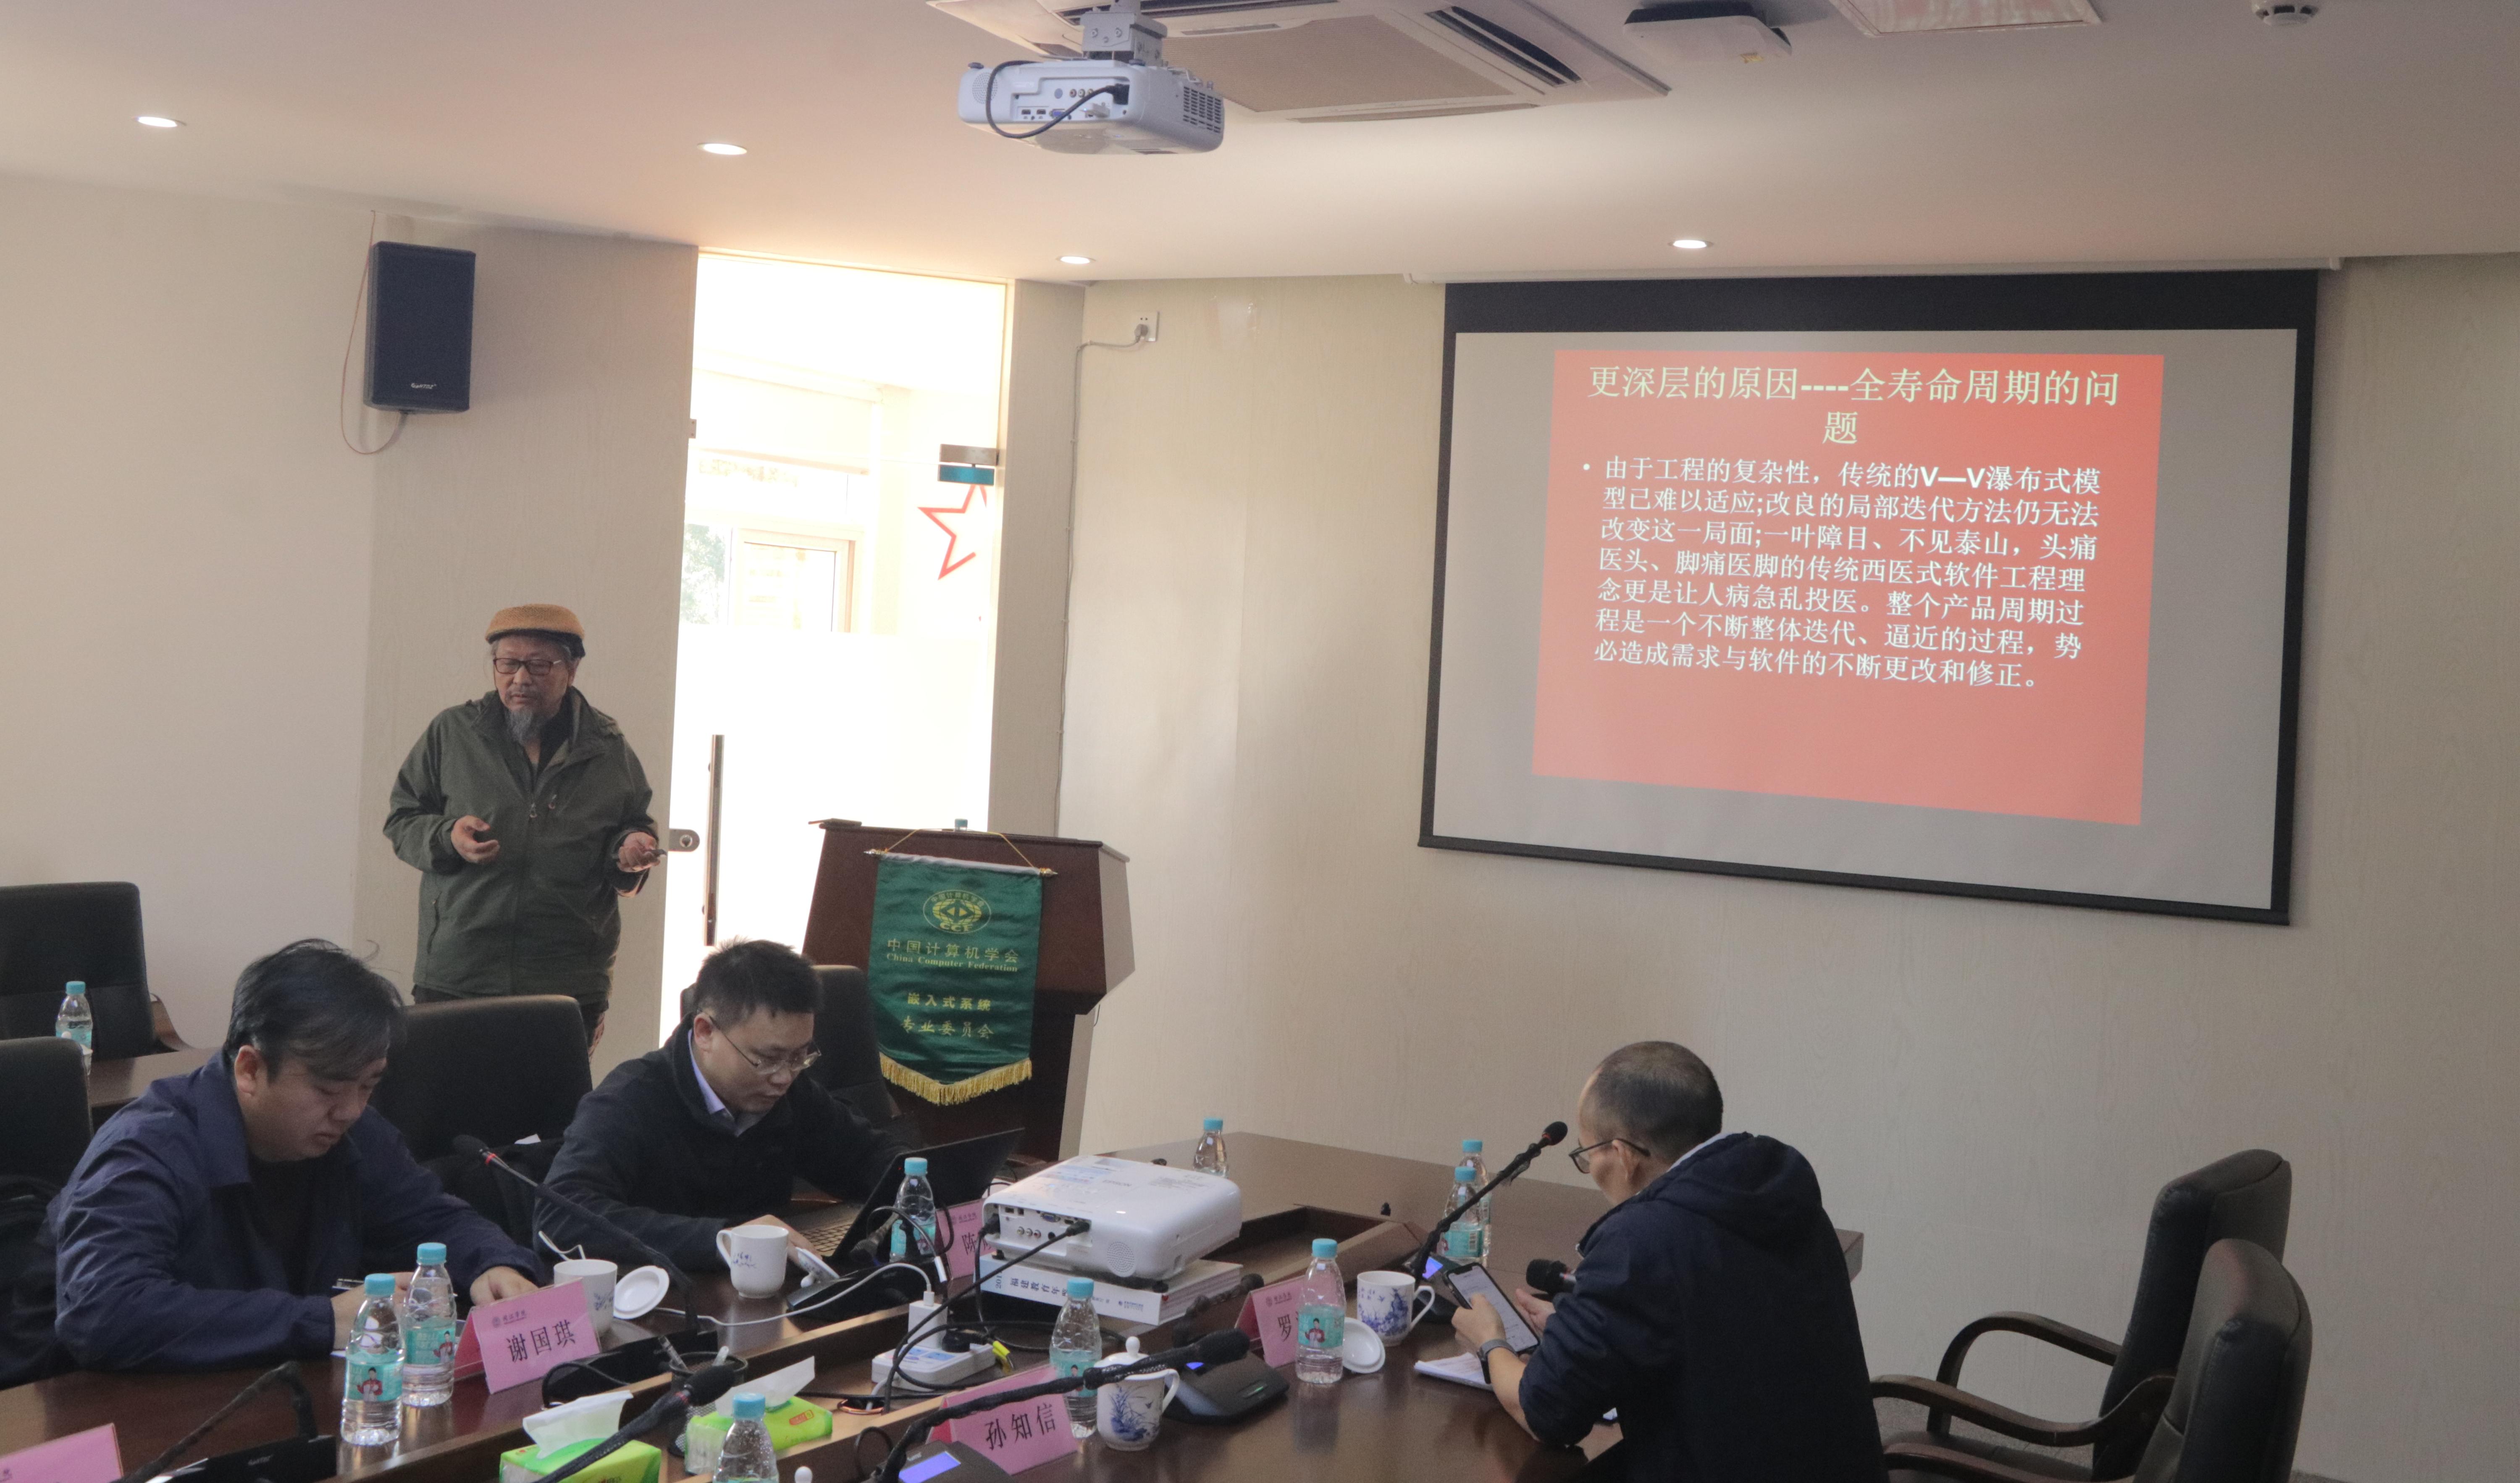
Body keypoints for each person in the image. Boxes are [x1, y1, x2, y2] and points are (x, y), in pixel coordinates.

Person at [34, 941, 541, 1374]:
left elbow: (431, 1218)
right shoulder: (148, 1147)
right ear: (250, 1069)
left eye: (368, 1085)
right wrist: (325, 1320)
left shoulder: (356, 1133)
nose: (351, 1110)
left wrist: (491, 1264)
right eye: (328, 1088)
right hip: (106, 1409)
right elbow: (104, 1311)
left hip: (267, 1387)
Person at [1451, 1041, 1885, 1483]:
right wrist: (1585, 1331)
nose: (1591, 1169)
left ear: (1623, 1155)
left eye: (1587, 1155)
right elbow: (1716, 1318)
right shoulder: (1776, 1193)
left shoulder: (1642, 1241)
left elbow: (1545, 1410)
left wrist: (1492, 1342)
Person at [384, 603, 663, 1048]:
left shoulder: (607, 747)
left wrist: (632, 847)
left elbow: (633, 825)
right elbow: (403, 819)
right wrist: (448, 837)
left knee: (552, 1095)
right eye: (507, 664)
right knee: (449, 1093)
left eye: (538, 665)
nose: (520, 678)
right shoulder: (453, 733)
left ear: (572, 669)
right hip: (460, 971)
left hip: (567, 978)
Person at [543, 939, 911, 1274]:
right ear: (705, 1032)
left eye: (800, 1056)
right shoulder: (630, 1100)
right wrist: (722, 1239)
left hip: (764, 1291)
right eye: (767, 1059)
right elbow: (559, 1218)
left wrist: (921, 1186)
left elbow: (870, 1159)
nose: (784, 1077)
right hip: (665, 1300)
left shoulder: (790, 1092)